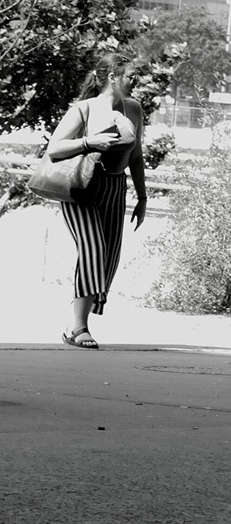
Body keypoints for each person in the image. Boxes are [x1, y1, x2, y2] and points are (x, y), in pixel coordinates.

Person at [47, 52, 147, 349]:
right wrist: (90, 142)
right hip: (82, 188)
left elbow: (137, 155)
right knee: (93, 247)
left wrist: (142, 196)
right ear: (113, 77)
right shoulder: (84, 109)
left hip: (116, 188)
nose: (136, 82)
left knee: (107, 257)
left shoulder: (135, 109)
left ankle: (76, 321)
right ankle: (78, 328)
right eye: (131, 76)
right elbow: (55, 148)